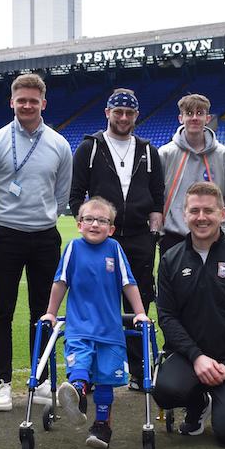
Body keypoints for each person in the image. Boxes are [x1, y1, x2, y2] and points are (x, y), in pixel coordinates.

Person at [0, 74, 73, 411]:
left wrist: (42, 220)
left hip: (45, 237)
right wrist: (1, 226)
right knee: (2, 312)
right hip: (7, 237)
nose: (27, 105)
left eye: (34, 100)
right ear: (11, 102)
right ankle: (2, 383)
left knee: (43, 313)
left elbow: (62, 196)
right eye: (22, 100)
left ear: (43, 103)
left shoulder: (59, 144)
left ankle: (41, 378)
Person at [152, 182, 225, 447]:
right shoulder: (171, 259)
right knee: (165, 390)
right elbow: (167, 317)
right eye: (195, 211)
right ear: (184, 214)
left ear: (223, 213)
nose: (201, 217)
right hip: (190, 357)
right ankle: (199, 401)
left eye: (209, 210)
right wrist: (197, 357)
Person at [69, 88, 164, 391]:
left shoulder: (148, 150)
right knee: (99, 300)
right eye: (118, 111)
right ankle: (94, 368)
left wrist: (154, 227)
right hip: (100, 239)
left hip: (138, 236)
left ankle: (139, 369)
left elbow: (158, 195)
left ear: (136, 115)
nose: (123, 117)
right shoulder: (90, 148)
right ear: (107, 112)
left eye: (129, 113)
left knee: (140, 300)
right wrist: (87, 224)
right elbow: (75, 193)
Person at [43, 197, 150, 449]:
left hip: (110, 331)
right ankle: (78, 392)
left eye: (102, 221)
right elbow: (60, 282)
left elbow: (128, 283)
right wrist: (50, 312)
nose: (94, 224)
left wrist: (140, 312)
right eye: (89, 219)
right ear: (79, 224)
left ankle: (102, 426)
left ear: (111, 228)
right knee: (79, 363)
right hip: (79, 328)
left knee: (105, 379)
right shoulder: (73, 249)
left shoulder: (114, 248)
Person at [157, 94, 225, 259]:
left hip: (213, 235)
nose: (194, 118)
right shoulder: (165, 153)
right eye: (189, 113)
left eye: (199, 113)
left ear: (207, 118)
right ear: (181, 118)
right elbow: (157, 196)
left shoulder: (223, 155)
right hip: (174, 236)